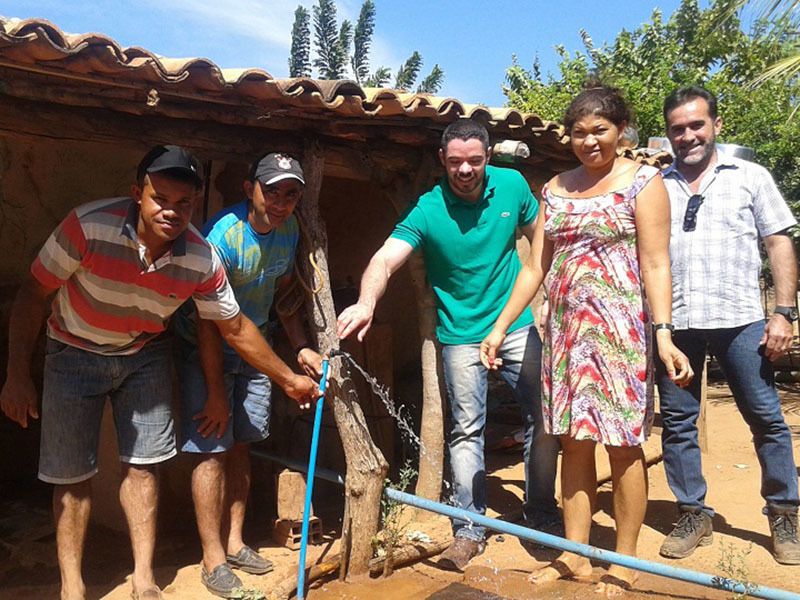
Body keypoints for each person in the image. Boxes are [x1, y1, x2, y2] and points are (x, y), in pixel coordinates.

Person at [0, 145, 319, 600]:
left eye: (183, 202)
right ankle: (72, 587)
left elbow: (233, 326)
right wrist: (17, 375)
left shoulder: (198, 257)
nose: (172, 210)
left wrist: (288, 378)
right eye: (161, 198)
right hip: (72, 350)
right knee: (71, 478)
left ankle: (144, 579)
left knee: (144, 467)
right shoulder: (88, 226)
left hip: (143, 351)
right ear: (138, 194)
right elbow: (33, 295)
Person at [481, 86, 692, 596]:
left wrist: (663, 333)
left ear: (621, 130)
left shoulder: (644, 182)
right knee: (572, 447)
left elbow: (656, 263)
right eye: (579, 132)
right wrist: (500, 325)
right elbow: (535, 267)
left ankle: (624, 560)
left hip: (621, 337)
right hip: (566, 338)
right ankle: (575, 555)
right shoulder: (554, 188)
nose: (589, 141)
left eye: (600, 130)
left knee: (622, 448)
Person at [337, 119, 561, 572]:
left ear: (488, 156)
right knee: (466, 429)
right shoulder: (427, 209)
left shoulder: (513, 185)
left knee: (544, 416)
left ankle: (540, 511)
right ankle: (468, 527)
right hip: (459, 334)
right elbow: (386, 257)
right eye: (456, 161)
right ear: (443, 160)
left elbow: (544, 234)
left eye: (474, 161)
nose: (465, 170)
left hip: (514, 323)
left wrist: (547, 286)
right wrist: (366, 300)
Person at [657, 85, 800, 565]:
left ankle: (784, 514)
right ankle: (693, 513)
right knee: (678, 423)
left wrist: (784, 311)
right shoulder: (656, 183)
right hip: (676, 324)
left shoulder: (750, 176)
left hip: (739, 320)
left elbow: (778, 242)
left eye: (696, 125)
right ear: (668, 135)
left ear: (715, 125)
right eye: (677, 128)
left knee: (765, 418)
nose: (688, 135)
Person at [174, 153, 323, 597]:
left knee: (241, 443)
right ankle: (212, 557)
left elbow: (283, 295)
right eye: (270, 191)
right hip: (211, 346)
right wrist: (216, 390)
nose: (279, 202)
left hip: (254, 349)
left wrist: (299, 348)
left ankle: (236, 542)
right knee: (211, 448)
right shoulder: (222, 238)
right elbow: (208, 323)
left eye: (289, 194)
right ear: (248, 188)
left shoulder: (289, 229)